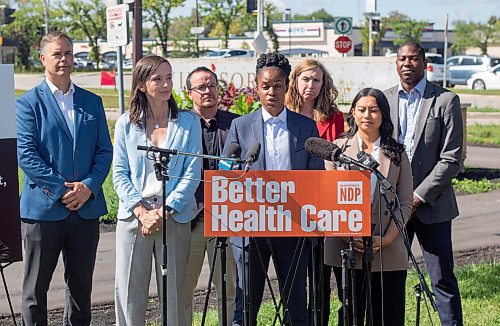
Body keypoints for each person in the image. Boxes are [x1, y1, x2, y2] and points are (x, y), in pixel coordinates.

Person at [16, 31, 113, 325]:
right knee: (35, 291)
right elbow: (26, 155)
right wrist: (61, 190)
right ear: (43, 59)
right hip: (44, 211)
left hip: (86, 210)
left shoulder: (92, 102)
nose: (64, 59)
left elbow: (104, 151)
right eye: (57, 54)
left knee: (81, 290)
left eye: (68, 53)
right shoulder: (27, 103)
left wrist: (88, 186)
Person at [224, 52, 325, 326]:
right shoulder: (240, 127)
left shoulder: (306, 127)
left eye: (277, 86)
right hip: (250, 228)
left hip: (292, 227)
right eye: (265, 86)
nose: (271, 92)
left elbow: (316, 176)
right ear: (256, 87)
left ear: (287, 87)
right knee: (246, 307)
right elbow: (226, 173)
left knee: (296, 305)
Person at [113, 55, 201, 326]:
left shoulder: (188, 122)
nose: (166, 84)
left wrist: (165, 210)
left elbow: (192, 172)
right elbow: (119, 173)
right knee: (129, 295)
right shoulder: (126, 124)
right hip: (134, 219)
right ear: (141, 85)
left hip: (174, 217)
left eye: (169, 77)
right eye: (157, 79)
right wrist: (142, 211)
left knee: (174, 297)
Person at [384, 42, 464, 325]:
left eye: (413, 58)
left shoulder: (445, 101)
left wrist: (417, 196)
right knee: (390, 280)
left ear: (424, 62)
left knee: (441, 279)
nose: (407, 63)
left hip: (433, 207)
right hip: (391, 207)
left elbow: (452, 159)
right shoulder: (384, 99)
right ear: (396, 63)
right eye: (402, 59)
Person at [324, 87, 413, 325]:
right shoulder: (337, 150)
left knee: (388, 315)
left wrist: (385, 240)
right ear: (352, 112)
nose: (367, 115)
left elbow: (405, 203)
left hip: (388, 246)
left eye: (374, 110)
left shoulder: (397, 153)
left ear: (383, 114)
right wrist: (347, 236)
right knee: (351, 313)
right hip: (347, 247)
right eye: (361, 109)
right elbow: (329, 201)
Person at [286, 58, 345, 324]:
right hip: (291, 204)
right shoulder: (282, 113)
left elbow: (337, 159)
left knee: (322, 272)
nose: (311, 85)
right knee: (296, 275)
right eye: (305, 79)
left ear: (324, 83)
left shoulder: (333, 117)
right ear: (295, 81)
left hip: (324, 201)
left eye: (316, 80)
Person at [183, 66, 239, 325]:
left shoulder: (236, 125)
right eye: (201, 87)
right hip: (190, 219)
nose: (208, 91)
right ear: (189, 92)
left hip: (226, 222)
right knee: (182, 289)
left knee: (228, 290)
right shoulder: (180, 125)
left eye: (212, 85)